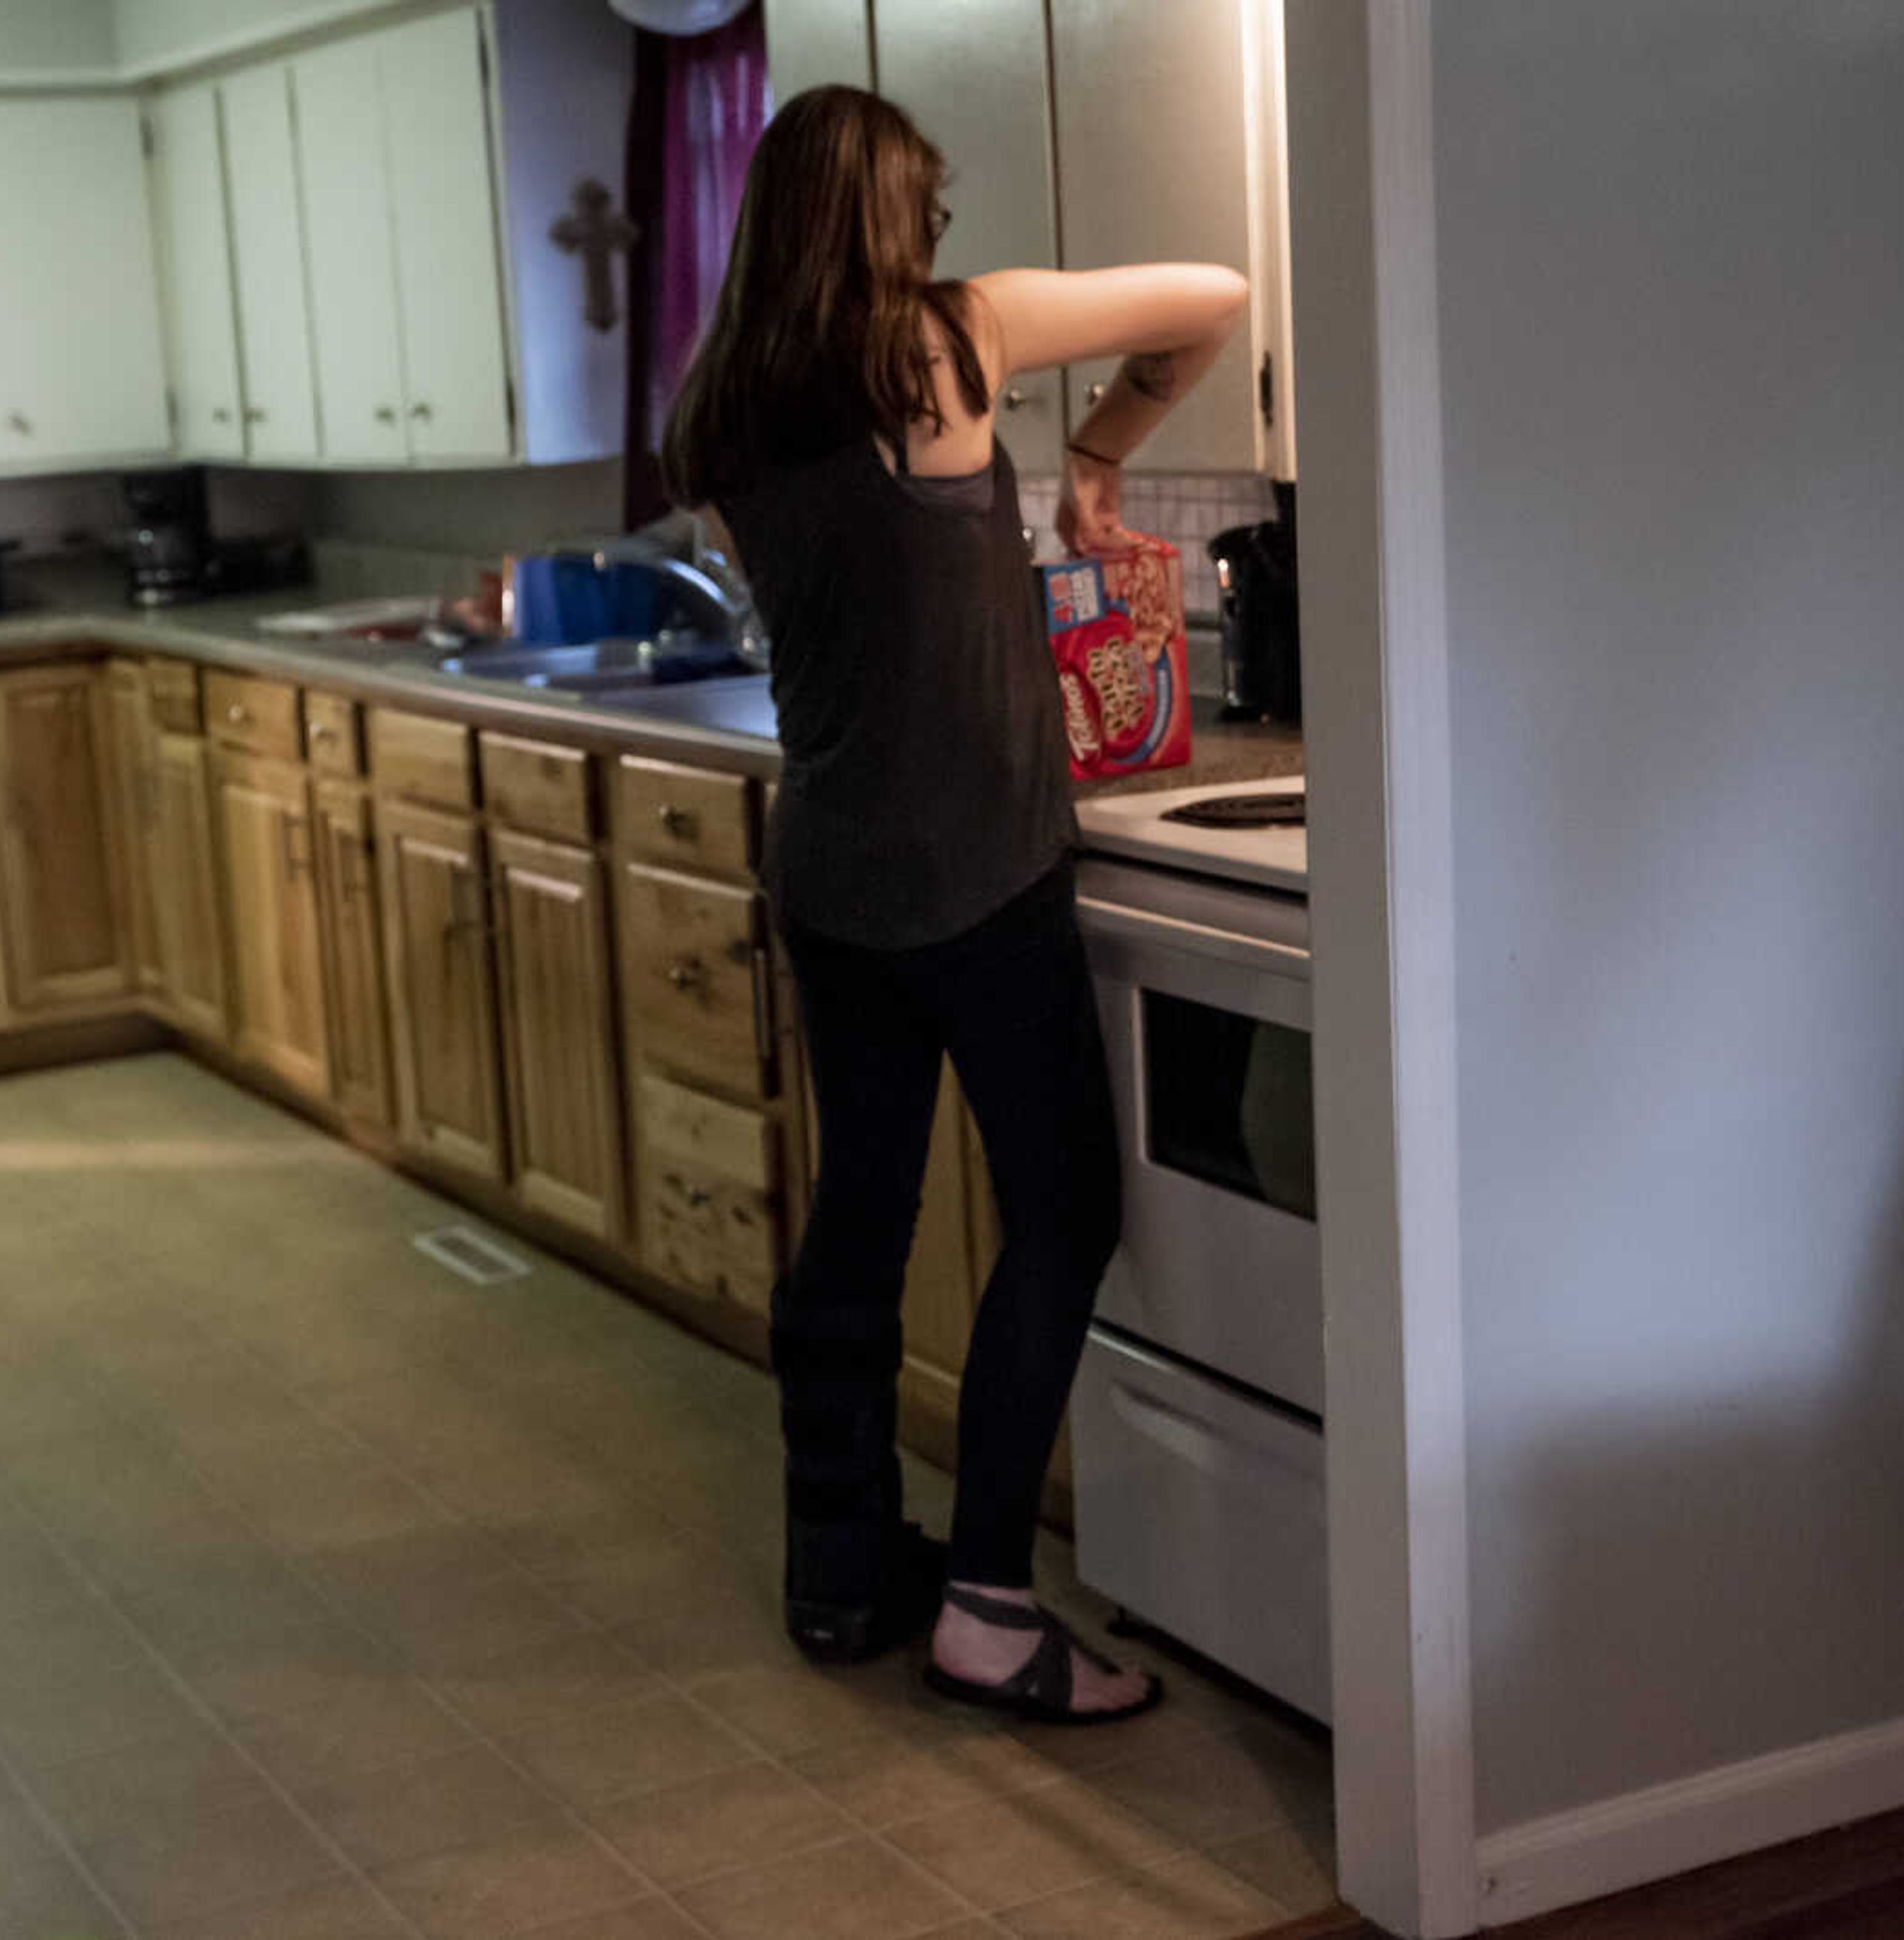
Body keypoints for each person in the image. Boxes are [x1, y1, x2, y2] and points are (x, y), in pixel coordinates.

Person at [663, 86, 1248, 1724]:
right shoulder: (943, 344)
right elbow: (1216, 296)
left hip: (833, 876)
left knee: (862, 1221)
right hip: (976, 878)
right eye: (924, 212)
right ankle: (991, 1598)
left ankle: (843, 1570)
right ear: (895, 217)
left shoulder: (717, 407)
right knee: (1066, 1212)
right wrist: (1103, 454)